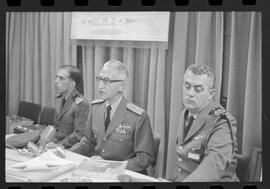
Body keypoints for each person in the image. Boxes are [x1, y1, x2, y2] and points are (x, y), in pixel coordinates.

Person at [70, 60, 154, 174]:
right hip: (98, 170)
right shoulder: (95, 108)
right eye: (99, 79)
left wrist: (112, 167)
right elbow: (89, 142)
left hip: (124, 174)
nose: (100, 86)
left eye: (106, 81)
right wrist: (66, 154)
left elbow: (144, 158)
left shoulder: (138, 116)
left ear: (122, 85)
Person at [169, 64, 239, 182]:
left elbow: (212, 167)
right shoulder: (185, 113)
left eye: (198, 89)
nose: (190, 93)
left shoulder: (221, 122)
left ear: (211, 94)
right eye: (187, 86)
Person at [48, 65, 90, 149]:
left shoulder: (80, 103)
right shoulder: (60, 99)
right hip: (57, 145)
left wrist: (58, 145)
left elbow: (79, 134)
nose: (55, 81)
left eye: (61, 78)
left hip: (69, 149)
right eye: (56, 77)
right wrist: (51, 141)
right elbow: (57, 127)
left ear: (72, 84)